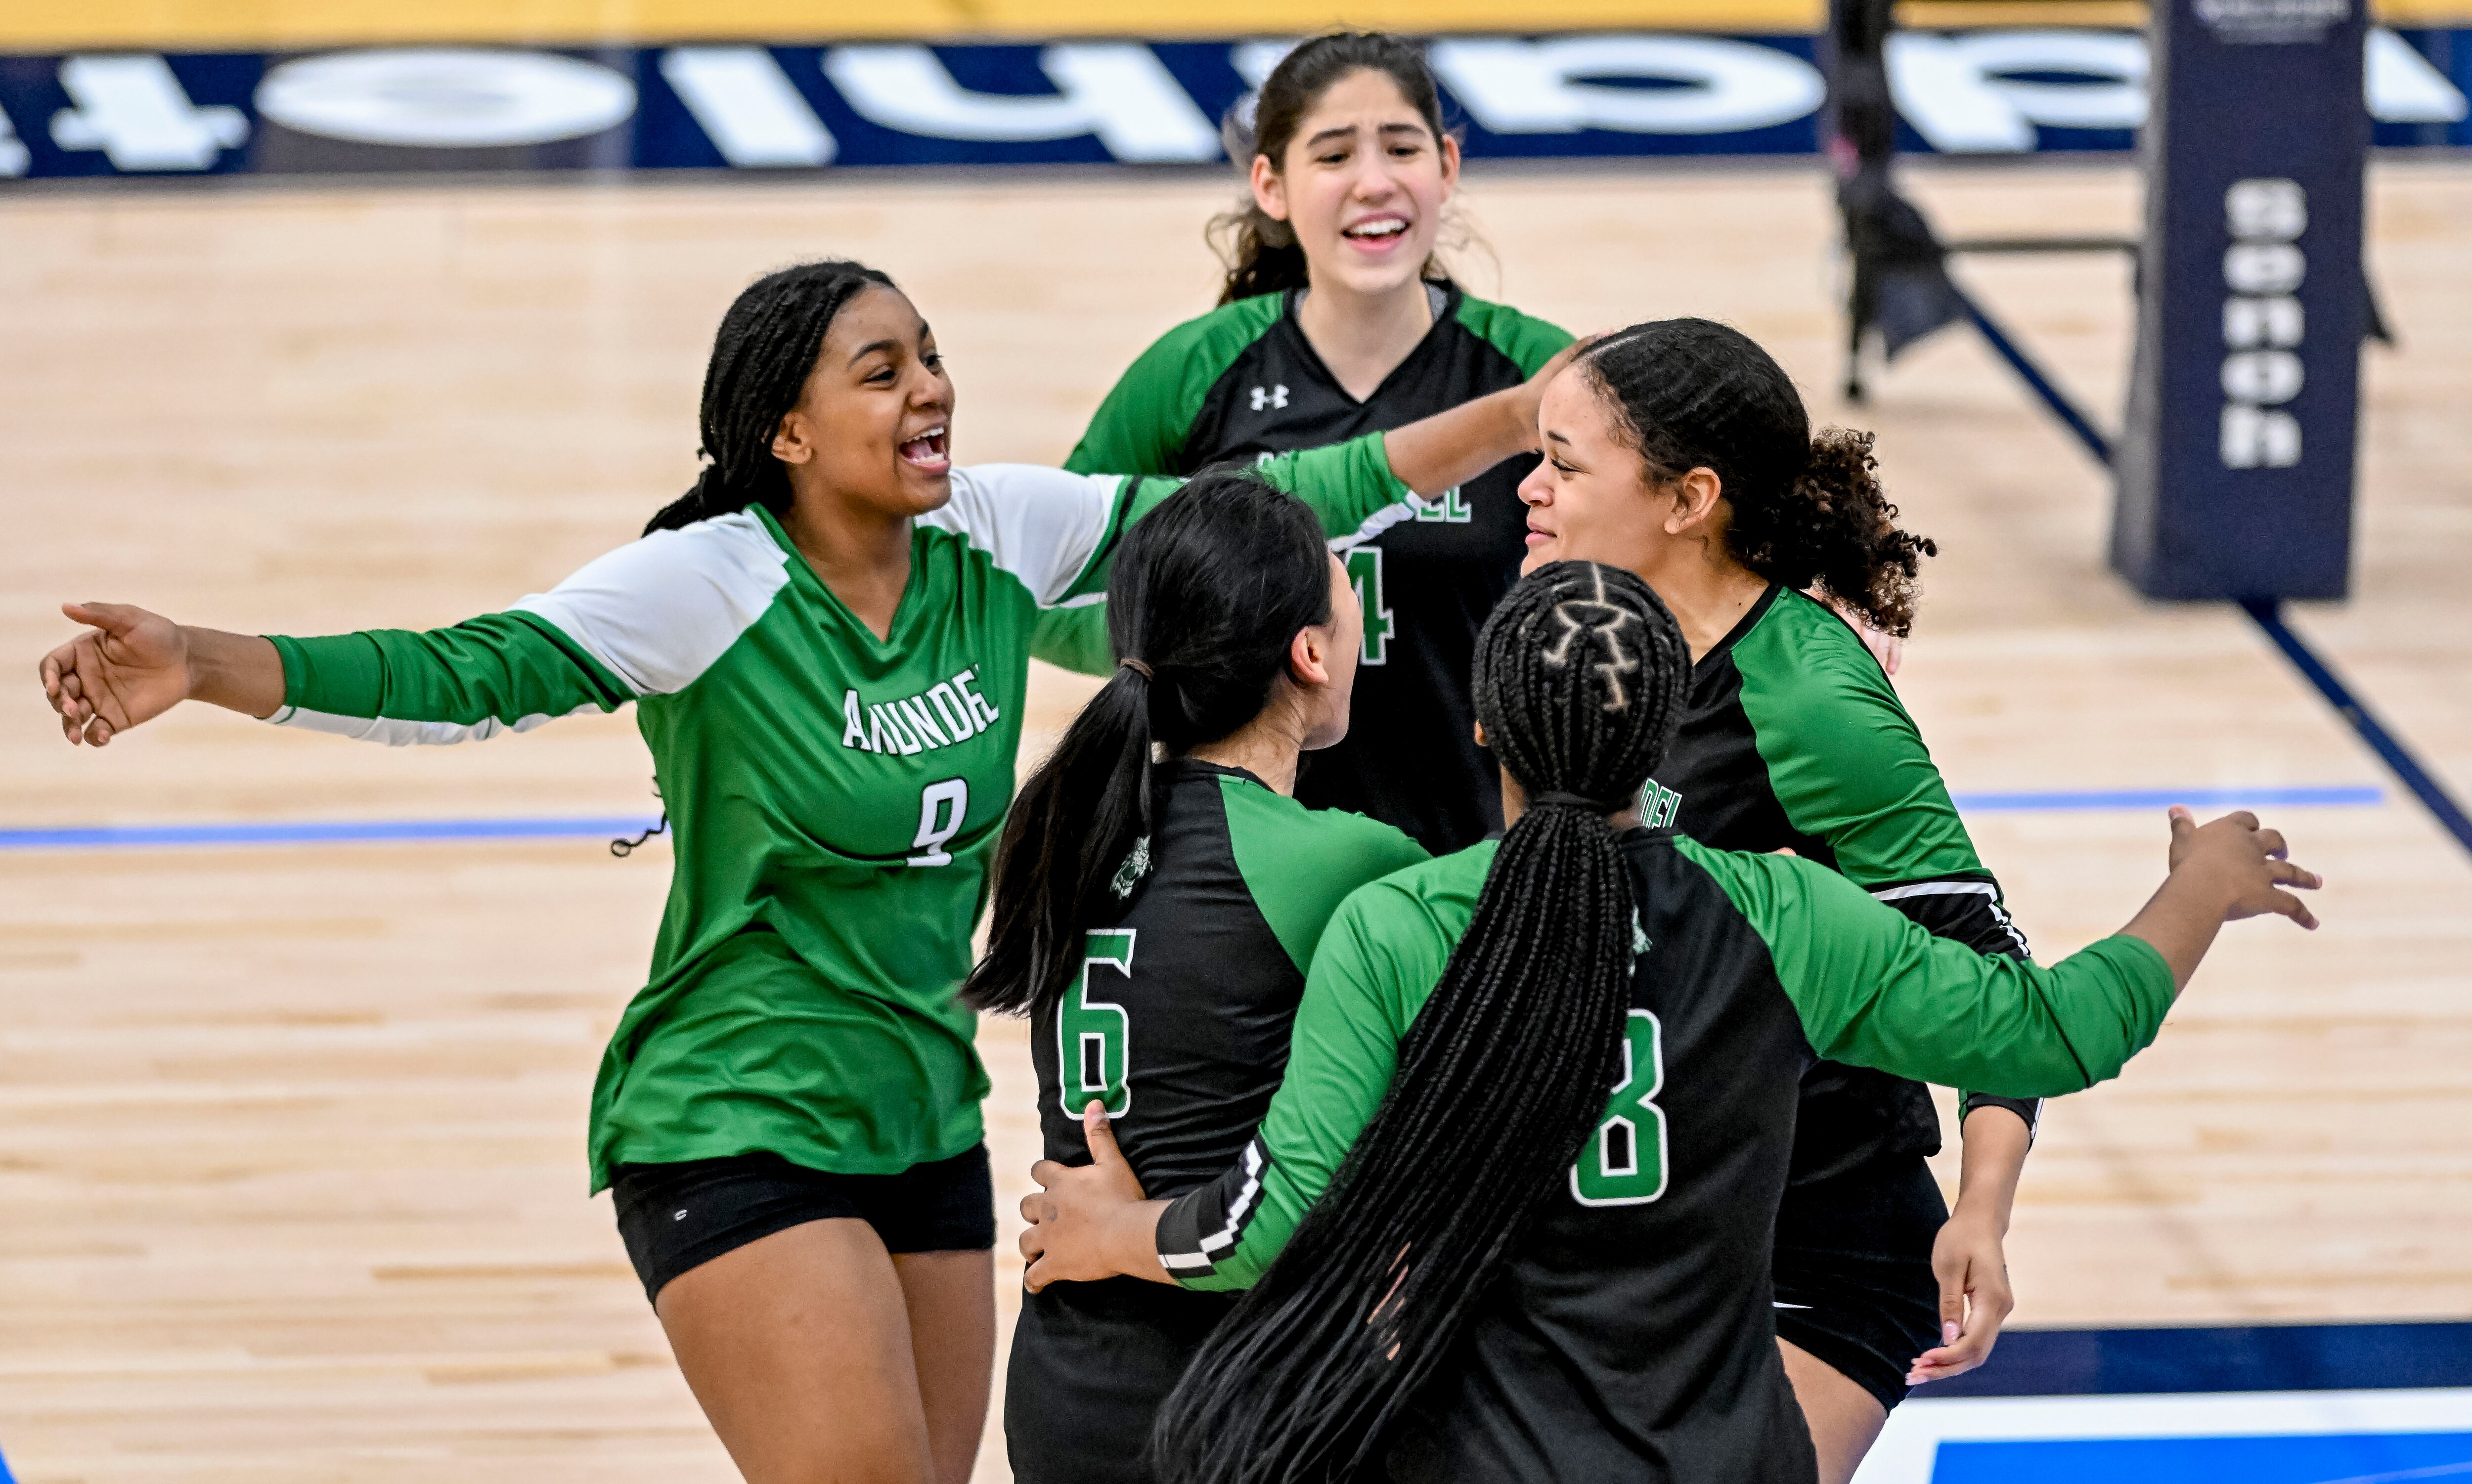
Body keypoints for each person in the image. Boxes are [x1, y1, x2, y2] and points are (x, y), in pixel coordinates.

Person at [34, 260, 1545, 1484]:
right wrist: (208, 665)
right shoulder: (710, 583)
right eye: (879, 369)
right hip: (734, 1107)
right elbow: (465, 667)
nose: (930, 385)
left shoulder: (996, 534)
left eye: (932, 354)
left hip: (923, 1114)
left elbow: (1281, 503)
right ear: (789, 431)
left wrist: (1516, 415)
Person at [1019, 561, 2318, 1483]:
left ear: (1483, 725)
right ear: (1666, 734)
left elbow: (1286, 1208)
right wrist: (2194, 893)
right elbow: (2061, 1031)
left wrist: (1119, 1230)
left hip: (1470, 1450)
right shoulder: (1785, 914)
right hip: (1724, 1447)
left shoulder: (1401, 922)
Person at [1512, 316, 2056, 1477]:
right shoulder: (1568, 631)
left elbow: (1989, 970)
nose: (1531, 487)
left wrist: (1983, 1208)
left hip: (1808, 1235)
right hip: (1632, 1211)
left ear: (1686, 497)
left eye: (1564, 463)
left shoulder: (1805, 696)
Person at [970, 474, 1428, 1483]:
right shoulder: (1345, 862)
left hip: (1065, 1384)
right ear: (1310, 652)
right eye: (1349, 599)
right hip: (1241, 1389)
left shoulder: (1060, 829)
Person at [1037, 30, 1575, 854]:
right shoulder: (1193, 370)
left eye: (1402, 147)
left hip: (1475, 865)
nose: (1374, 181)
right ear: (1272, 185)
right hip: (1241, 874)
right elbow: (1054, 584)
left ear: (1448, 168)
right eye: (1332, 156)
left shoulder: (1534, 370)